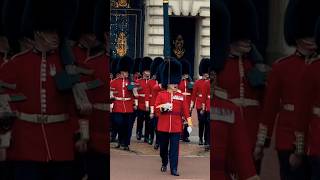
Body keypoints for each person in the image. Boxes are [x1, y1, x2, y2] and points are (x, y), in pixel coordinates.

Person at [254, 0, 317, 179]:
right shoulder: (282, 68)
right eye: (306, 35)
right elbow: (270, 108)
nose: (310, 39)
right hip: (287, 138)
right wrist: (261, 142)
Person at [217, 0, 267, 173]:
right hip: (228, 132)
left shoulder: (254, 65)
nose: (248, 41)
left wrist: (262, 139)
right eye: (243, 37)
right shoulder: (221, 67)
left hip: (252, 132)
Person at [70, 0, 109, 179]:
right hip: (96, 135)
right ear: (107, 36)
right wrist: (83, 135)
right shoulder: (92, 64)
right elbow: (82, 104)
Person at [155, 59, 192, 176]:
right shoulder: (161, 95)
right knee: (163, 149)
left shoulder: (181, 96)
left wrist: (190, 124)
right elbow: (156, 110)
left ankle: (174, 169)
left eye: (176, 82)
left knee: (175, 149)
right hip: (163, 126)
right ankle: (164, 162)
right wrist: (163, 107)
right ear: (167, 83)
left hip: (176, 126)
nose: (176, 84)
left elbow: (186, 111)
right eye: (173, 83)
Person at [110, 56, 134, 151]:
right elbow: (111, 94)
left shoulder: (131, 82)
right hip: (118, 105)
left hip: (128, 106)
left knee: (127, 126)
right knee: (119, 123)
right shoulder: (113, 82)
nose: (126, 74)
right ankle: (120, 141)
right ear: (120, 72)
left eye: (127, 72)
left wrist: (132, 85)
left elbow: (134, 94)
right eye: (124, 72)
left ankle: (126, 143)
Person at [190, 58, 210, 146]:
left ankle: (206, 139)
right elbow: (194, 95)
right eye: (205, 72)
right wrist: (191, 106)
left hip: (208, 104)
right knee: (201, 122)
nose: (206, 74)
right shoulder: (197, 82)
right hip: (199, 105)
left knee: (208, 123)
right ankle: (200, 138)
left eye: (207, 72)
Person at [146, 57, 164, 149]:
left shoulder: (165, 85)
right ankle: (152, 138)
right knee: (154, 125)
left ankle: (158, 141)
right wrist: (152, 111)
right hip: (156, 108)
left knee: (160, 127)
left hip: (163, 108)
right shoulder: (153, 84)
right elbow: (152, 99)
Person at [135, 57, 153, 144]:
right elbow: (135, 92)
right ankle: (138, 132)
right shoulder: (138, 81)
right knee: (140, 120)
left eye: (149, 71)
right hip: (141, 103)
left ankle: (146, 136)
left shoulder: (152, 82)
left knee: (148, 121)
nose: (148, 73)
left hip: (149, 103)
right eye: (147, 71)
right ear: (143, 72)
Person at [178, 59, 193, 143]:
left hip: (188, 101)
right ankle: (180, 134)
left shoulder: (190, 81)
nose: (186, 75)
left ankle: (186, 135)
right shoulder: (178, 80)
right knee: (180, 119)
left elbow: (193, 92)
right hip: (181, 101)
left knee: (188, 119)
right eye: (185, 73)